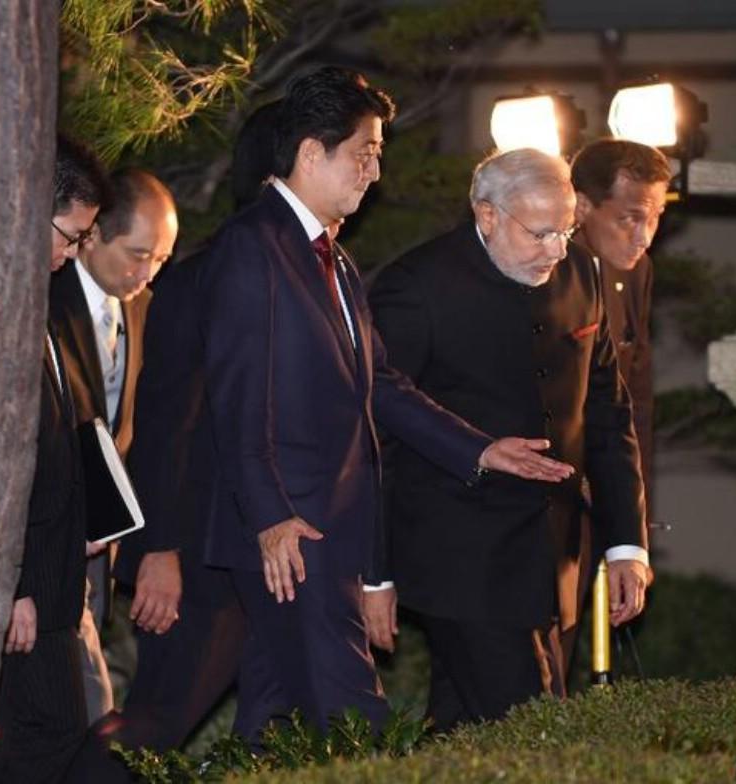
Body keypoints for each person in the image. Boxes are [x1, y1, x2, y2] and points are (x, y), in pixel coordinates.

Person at [191, 66, 573, 743]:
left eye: (378, 156)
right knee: (356, 720)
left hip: (331, 526)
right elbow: (237, 395)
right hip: (293, 532)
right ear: (313, 153)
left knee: (271, 721)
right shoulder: (254, 247)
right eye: (364, 154)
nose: (374, 172)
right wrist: (271, 515)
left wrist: (478, 449)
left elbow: (381, 384)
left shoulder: (331, 260)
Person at [365, 148, 651, 731]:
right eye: (541, 232)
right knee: (537, 727)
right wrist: (375, 572)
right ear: (487, 215)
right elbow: (376, 424)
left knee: (464, 734)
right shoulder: (414, 286)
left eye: (566, 230)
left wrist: (627, 545)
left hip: (552, 554)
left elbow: (607, 414)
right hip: (458, 557)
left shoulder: (582, 272)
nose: (557, 249)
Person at [0, 136, 107, 783]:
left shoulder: (45, 302)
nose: (69, 254)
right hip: (26, 586)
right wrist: (15, 583)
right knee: (47, 734)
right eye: (69, 235)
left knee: (60, 731)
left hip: (57, 576)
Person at [48, 169, 179, 722]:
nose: (145, 273)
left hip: (102, 548)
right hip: (49, 538)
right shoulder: (45, 294)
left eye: (161, 260)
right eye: (138, 254)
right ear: (94, 233)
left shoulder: (144, 307)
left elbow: (145, 435)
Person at [570, 139, 671, 509]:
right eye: (630, 218)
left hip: (611, 481)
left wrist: (636, 520)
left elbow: (636, 398)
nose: (644, 237)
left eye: (657, 215)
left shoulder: (638, 271)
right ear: (581, 207)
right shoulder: (543, 267)